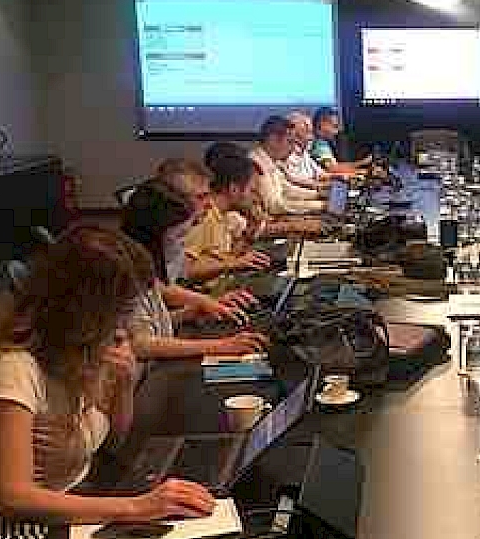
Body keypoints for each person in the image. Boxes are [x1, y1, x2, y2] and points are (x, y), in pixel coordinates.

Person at [0, 225, 216, 539]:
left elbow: (111, 443)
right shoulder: (16, 370)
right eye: (120, 310)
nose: (124, 325)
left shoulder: (77, 355)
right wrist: (136, 507)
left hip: (74, 508)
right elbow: (14, 496)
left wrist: (124, 385)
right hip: (24, 537)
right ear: (85, 311)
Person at [121, 180, 268, 360]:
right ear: (152, 237)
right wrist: (223, 346)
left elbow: (149, 326)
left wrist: (189, 313)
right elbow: (140, 344)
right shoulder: (126, 275)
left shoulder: (144, 269)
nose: (183, 245)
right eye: (179, 237)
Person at [183, 154, 275, 280]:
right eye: (252, 191)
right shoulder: (204, 217)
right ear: (234, 189)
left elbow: (225, 257)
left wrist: (250, 233)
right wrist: (231, 264)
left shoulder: (224, 215)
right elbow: (184, 270)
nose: (257, 198)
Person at [250, 115, 327, 216]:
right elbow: (275, 205)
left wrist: (319, 195)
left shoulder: (270, 161)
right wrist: (321, 205)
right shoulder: (256, 164)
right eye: (290, 142)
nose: (293, 148)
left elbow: (287, 189)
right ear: (273, 140)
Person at [309, 107, 370, 177]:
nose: (337, 132)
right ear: (321, 125)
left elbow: (334, 167)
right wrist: (363, 163)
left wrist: (359, 170)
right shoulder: (319, 144)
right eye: (334, 126)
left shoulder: (324, 143)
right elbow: (332, 168)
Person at [284, 112, 330, 191]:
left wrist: (340, 177)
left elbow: (320, 174)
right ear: (293, 134)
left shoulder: (304, 153)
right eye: (307, 131)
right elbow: (292, 179)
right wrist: (320, 186)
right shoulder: (286, 155)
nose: (312, 137)